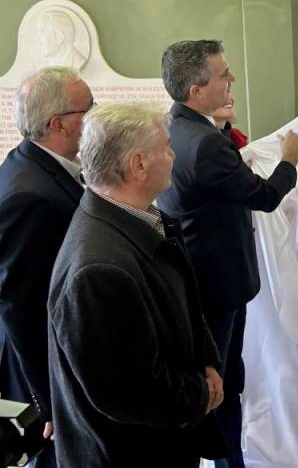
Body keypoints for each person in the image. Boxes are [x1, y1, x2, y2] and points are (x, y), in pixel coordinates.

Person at [48, 103, 224, 467]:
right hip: (131, 455)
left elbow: (183, 304)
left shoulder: (142, 220)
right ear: (138, 164)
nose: (173, 155)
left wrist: (207, 361)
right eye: (166, 147)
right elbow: (131, 392)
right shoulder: (98, 271)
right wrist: (200, 393)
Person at [158, 39, 298, 468]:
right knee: (220, 385)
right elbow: (265, 196)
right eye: (223, 74)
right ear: (196, 91)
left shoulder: (176, 126)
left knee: (221, 380)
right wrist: (289, 159)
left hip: (199, 280)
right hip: (218, 286)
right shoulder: (206, 144)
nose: (232, 79)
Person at [0, 66, 91, 467]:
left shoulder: (30, 162)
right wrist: (49, 400)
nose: (95, 117)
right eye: (88, 109)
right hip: (46, 378)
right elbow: (20, 307)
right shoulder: (29, 196)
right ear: (59, 124)